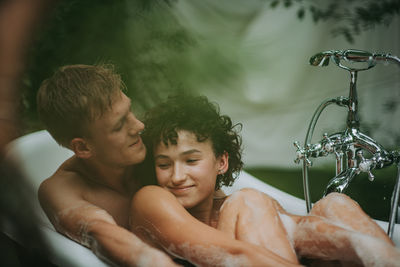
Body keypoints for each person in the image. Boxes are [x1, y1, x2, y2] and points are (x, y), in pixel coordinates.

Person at [36, 64, 299, 266]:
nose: (138, 126)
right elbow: (105, 237)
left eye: (130, 111)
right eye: (119, 125)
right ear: (83, 147)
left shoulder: (148, 150)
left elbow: (220, 204)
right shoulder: (64, 190)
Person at [130, 94, 400, 266]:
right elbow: (234, 255)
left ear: (221, 162)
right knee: (246, 200)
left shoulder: (236, 211)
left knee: (334, 203)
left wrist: (363, 248)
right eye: (164, 164)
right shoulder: (152, 200)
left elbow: (302, 230)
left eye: (191, 161)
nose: (176, 177)